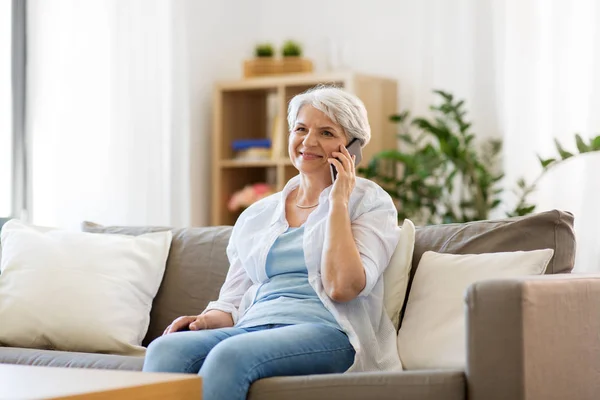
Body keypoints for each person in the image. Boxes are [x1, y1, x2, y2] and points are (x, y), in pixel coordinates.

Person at [142, 86, 403, 400]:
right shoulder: (259, 214)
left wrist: (338, 202)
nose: (309, 141)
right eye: (301, 129)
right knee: (166, 350)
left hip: (330, 331)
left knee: (231, 356)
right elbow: (233, 298)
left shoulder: (370, 203)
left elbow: (342, 287)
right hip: (253, 326)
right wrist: (205, 320)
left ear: (353, 146)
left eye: (326, 132)